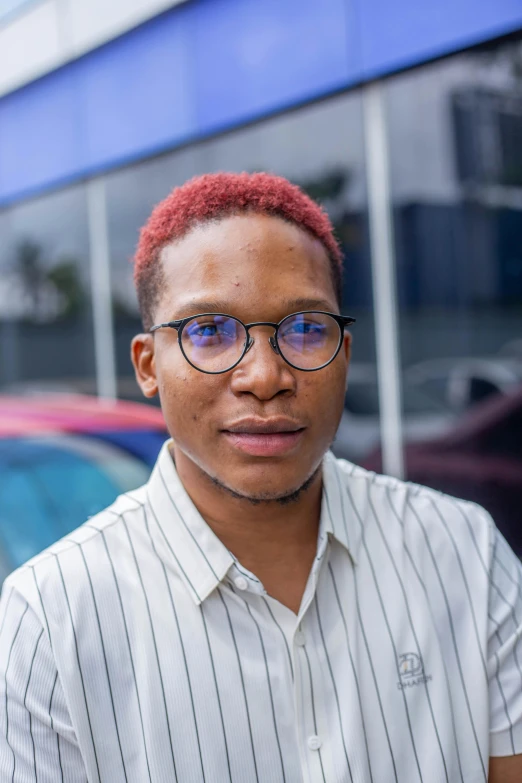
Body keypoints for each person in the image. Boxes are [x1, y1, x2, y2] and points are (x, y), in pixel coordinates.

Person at [0, 172, 520, 783]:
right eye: (211, 332)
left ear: (344, 355)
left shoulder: (462, 550)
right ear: (147, 367)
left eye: (304, 329)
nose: (264, 375)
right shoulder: (50, 619)